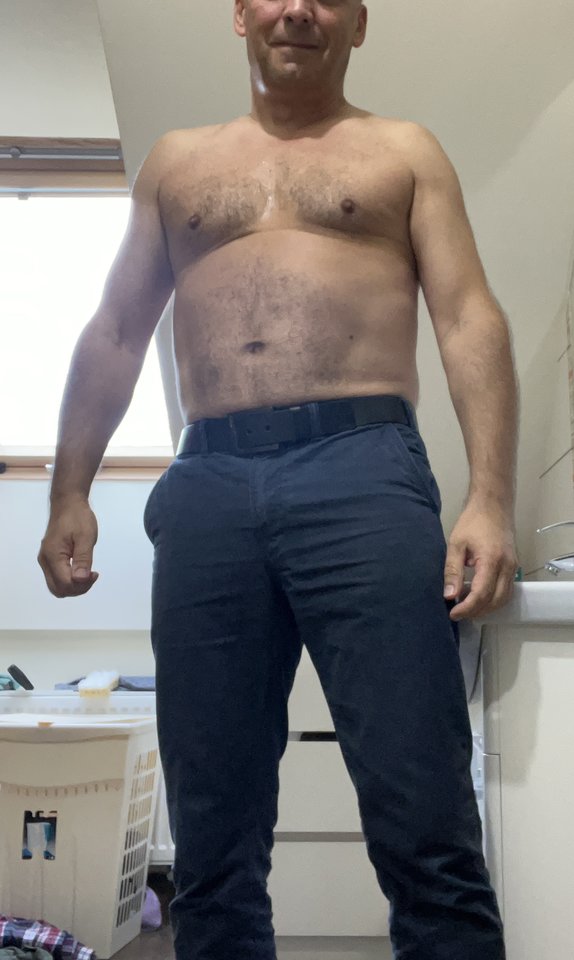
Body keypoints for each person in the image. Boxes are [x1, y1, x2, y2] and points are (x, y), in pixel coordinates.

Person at [38, 1, 520, 957]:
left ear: (359, 23)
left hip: (364, 471)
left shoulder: (403, 152)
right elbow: (117, 331)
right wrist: (68, 490)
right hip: (210, 481)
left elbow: (468, 316)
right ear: (240, 14)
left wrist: (491, 496)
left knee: (425, 816)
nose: (298, 9)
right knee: (211, 837)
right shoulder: (176, 162)